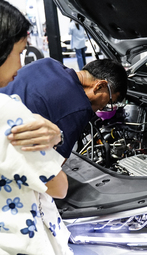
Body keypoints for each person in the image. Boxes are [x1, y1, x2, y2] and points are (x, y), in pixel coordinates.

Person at [0, 0, 72, 254]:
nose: (21, 66)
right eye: (18, 52)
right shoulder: (6, 111)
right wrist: (56, 138)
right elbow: (59, 187)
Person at [0, 57, 128, 159]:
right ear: (99, 86)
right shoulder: (80, 108)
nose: (103, 107)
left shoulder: (47, 62)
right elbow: (54, 167)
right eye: (110, 101)